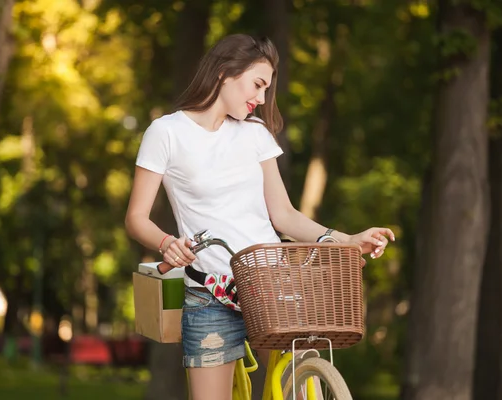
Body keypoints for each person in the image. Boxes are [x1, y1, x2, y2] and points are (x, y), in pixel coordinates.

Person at [125, 33, 394, 400]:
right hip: (210, 295)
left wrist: (346, 240)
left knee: (303, 385)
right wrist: (167, 243)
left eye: (266, 88)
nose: (262, 98)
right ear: (224, 73)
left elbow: (283, 214)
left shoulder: (255, 133)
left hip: (271, 287)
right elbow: (137, 217)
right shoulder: (167, 133)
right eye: (257, 84)